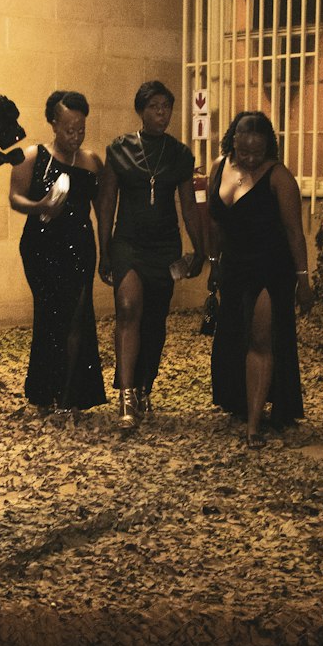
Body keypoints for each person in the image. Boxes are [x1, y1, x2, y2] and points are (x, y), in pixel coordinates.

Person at [96, 80, 203, 430]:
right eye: (155, 106)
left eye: (166, 107)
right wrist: (105, 248)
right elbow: (107, 202)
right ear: (141, 110)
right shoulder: (120, 149)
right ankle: (125, 395)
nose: (161, 113)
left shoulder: (179, 154)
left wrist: (200, 248)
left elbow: (188, 205)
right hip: (128, 242)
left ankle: (144, 385)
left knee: (154, 321)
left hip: (164, 246)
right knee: (128, 309)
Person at [206, 109, 314, 446]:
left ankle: (254, 425)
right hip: (235, 267)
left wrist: (304, 280)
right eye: (244, 152)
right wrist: (213, 263)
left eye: (258, 152)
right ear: (233, 143)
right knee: (235, 337)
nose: (251, 159)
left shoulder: (279, 177)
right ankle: (243, 402)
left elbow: (295, 233)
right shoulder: (218, 167)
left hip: (271, 268)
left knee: (261, 340)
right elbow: (216, 223)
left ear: (268, 147)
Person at [9, 90, 105, 419]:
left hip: (79, 245)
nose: (75, 135)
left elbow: (103, 206)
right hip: (41, 245)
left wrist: (105, 248)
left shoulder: (92, 161)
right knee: (50, 315)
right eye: (68, 129)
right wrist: (40, 206)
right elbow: (15, 198)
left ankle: (69, 395)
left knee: (77, 314)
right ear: (53, 123)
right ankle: (43, 393)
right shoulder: (32, 156)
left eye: (81, 129)